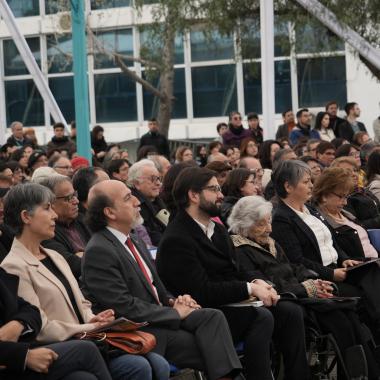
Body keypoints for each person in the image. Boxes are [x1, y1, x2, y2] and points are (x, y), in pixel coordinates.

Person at [1, 183, 169, 380]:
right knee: (136, 367)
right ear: (26, 217)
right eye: (47, 208)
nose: (54, 215)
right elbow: (41, 326)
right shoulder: (14, 266)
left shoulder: (54, 255)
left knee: (158, 363)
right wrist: (88, 327)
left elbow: (81, 302)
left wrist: (93, 319)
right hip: (61, 346)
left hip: (89, 337)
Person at [156, 167, 309, 380]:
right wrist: (249, 288)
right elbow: (201, 291)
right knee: (261, 316)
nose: (220, 195)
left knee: (288, 310)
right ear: (193, 195)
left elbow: (233, 271)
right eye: (213, 189)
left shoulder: (216, 230)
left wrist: (257, 282)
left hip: (229, 303)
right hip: (203, 313)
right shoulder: (177, 238)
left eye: (219, 188)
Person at [81, 179, 243, 380]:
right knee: (213, 348)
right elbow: (123, 306)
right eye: (127, 198)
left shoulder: (133, 239)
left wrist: (173, 301)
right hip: (142, 328)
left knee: (212, 317)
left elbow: (156, 287)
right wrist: (174, 313)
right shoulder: (99, 250)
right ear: (110, 212)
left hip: (161, 317)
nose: (137, 202)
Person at [229, 195, 379, 379]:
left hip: (302, 293)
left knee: (348, 312)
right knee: (337, 318)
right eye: (261, 224)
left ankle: (367, 372)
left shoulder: (270, 242)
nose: (269, 229)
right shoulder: (238, 249)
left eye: (269, 222)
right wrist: (305, 288)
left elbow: (294, 267)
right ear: (244, 225)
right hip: (284, 300)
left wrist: (315, 280)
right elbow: (263, 284)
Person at [271, 160, 380, 335]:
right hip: (320, 278)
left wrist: (344, 259)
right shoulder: (281, 219)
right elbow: (296, 260)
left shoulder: (310, 210)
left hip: (338, 269)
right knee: (365, 293)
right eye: (306, 182)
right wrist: (331, 274)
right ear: (288, 186)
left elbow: (332, 241)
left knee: (373, 269)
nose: (311, 186)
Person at [0, 268, 113, 380]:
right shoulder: (14, 265)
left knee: (84, 377)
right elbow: (45, 330)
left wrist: (18, 324)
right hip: (15, 358)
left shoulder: (55, 256)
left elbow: (30, 310)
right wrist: (24, 356)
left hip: (20, 352)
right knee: (87, 350)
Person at [312, 167, 378, 259]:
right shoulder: (318, 220)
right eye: (341, 197)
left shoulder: (345, 213)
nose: (345, 202)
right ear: (324, 195)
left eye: (346, 197)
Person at [37, 175, 91, 279]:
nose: (76, 201)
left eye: (75, 194)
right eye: (69, 198)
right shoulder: (46, 232)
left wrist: (83, 254)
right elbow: (73, 266)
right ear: (50, 203)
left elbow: (107, 248)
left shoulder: (83, 219)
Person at [127, 160, 168, 246]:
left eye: (159, 178)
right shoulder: (135, 206)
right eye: (152, 179)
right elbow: (152, 237)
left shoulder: (158, 200)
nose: (158, 183)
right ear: (136, 183)